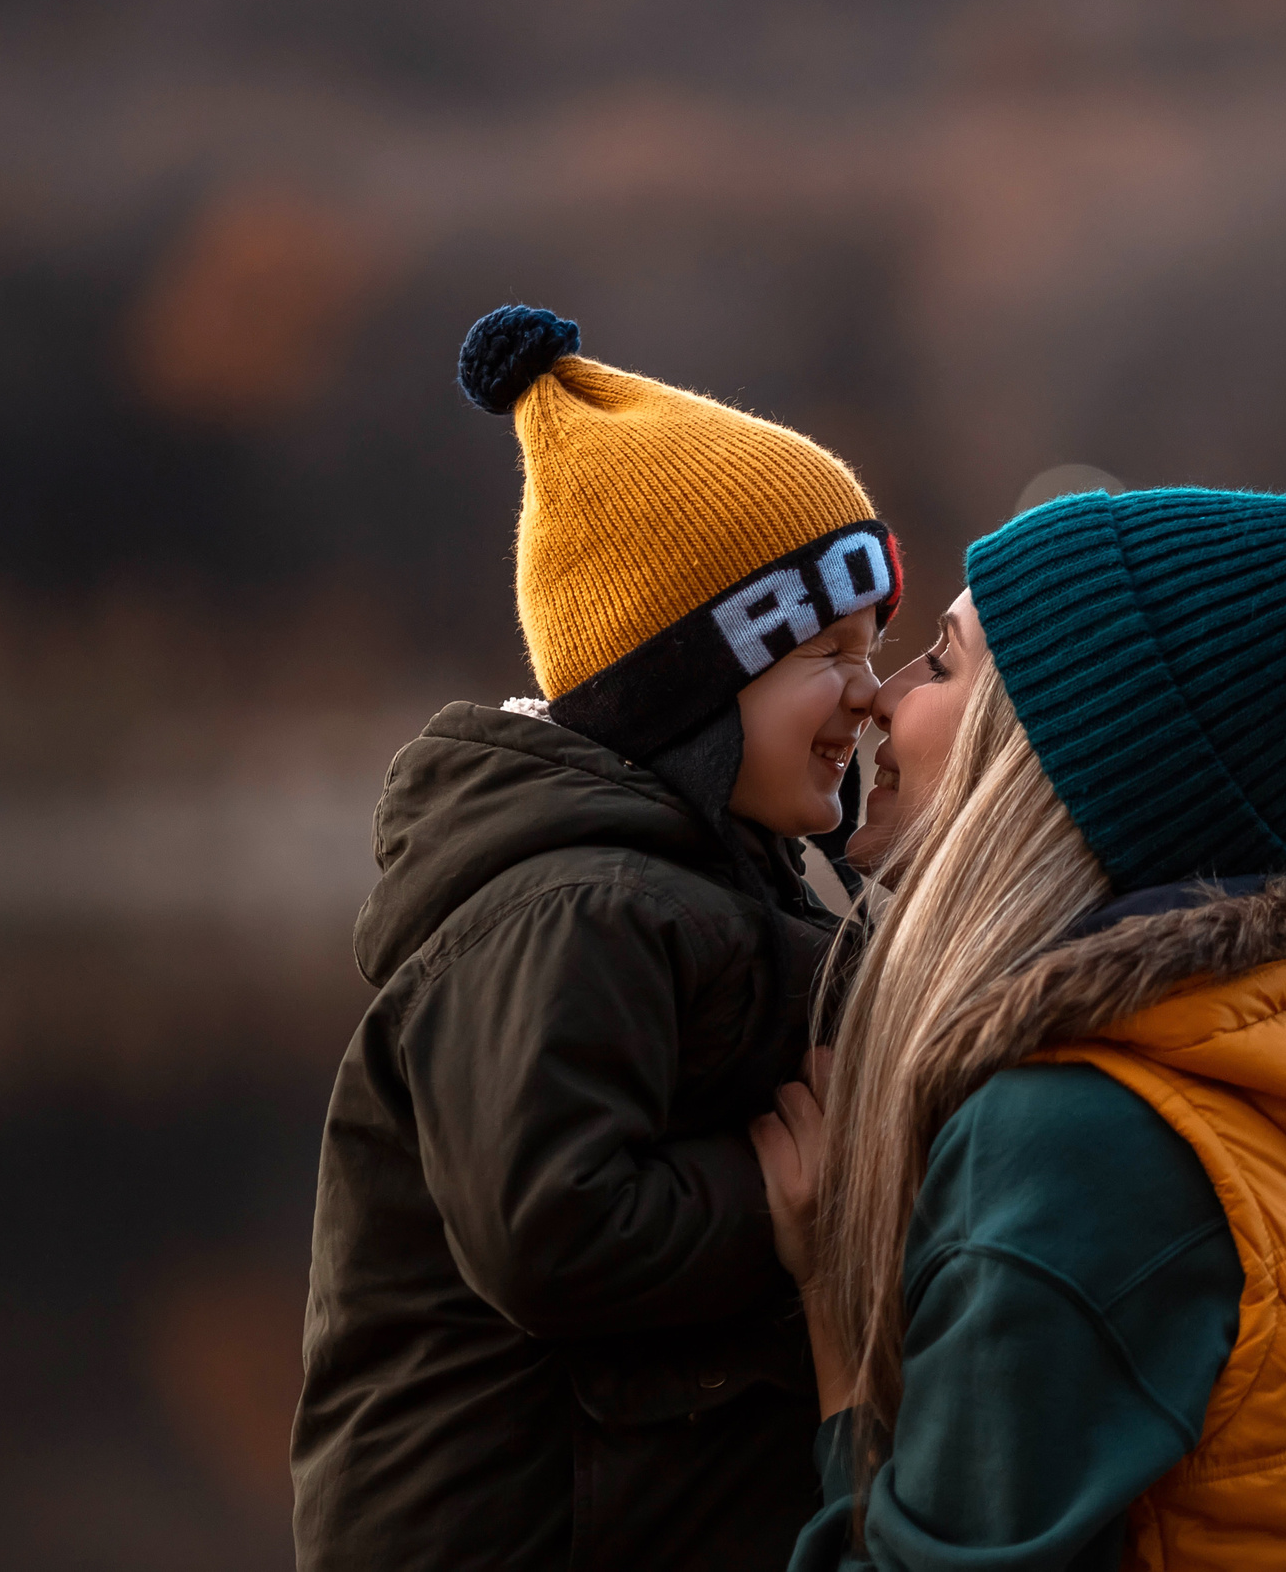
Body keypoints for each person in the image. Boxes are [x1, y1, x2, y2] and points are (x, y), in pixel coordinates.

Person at [754, 476, 1286, 1571]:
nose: (883, 698)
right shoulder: (1224, 1078)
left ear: (1045, 759)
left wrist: (833, 1326)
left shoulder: (1074, 1138)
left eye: (940, 663)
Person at [291, 306, 903, 1572]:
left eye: (878, 650)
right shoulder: (571, 907)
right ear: (691, 686)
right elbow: (548, 1228)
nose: (871, 693)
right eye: (827, 652)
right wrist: (786, 1202)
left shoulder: (702, 875)